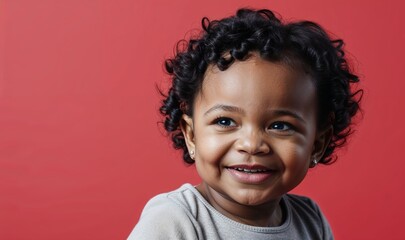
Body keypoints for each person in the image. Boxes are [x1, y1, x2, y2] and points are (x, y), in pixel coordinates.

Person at [128, 8, 361, 240]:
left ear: (317, 144)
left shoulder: (311, 222)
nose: (251, 145)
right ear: (191, 135)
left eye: (280, 126)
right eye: (225, 121)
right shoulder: (173, 222)